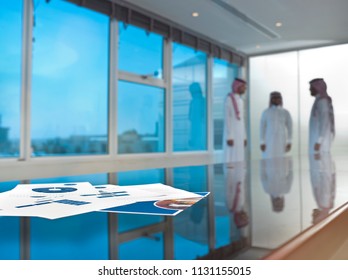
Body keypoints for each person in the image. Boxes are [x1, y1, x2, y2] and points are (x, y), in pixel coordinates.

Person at [260, 91, 292, 159]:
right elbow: (262, 128)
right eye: (274, 98)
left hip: (281, 141)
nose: (277, 100)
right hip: (269, 142)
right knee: (268, 160)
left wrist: (289, 141)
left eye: (278, 98)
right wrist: (262, 142)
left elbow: (290, 128)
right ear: (271, 99)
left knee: (281, 161)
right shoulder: (266, 112)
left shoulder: (285, 112)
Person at [223, 78, 247, 163]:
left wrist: (244, 137)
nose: (245, 89)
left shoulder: (241, 100)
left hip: (240, 134)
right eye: (243, 87)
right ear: (238, 86)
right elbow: (227, 118)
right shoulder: (229, 99)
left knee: (240, 158)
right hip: (232, 135)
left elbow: (242, 120)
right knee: (231, 159)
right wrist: (229, 136)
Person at [308, 78, 335, 154]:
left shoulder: (322, 101)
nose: (309, 89)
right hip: (319, 139)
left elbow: (325, 120)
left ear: (317, 88)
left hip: (321, 141)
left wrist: (319, 141)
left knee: (322, 162)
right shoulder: (318, 100)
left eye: (311, 87)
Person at [189, 82, 205, 150]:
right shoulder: (193, 102)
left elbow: (194, 120)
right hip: (196, 132)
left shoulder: (201, 101)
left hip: (201, 132)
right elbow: (190, 117)